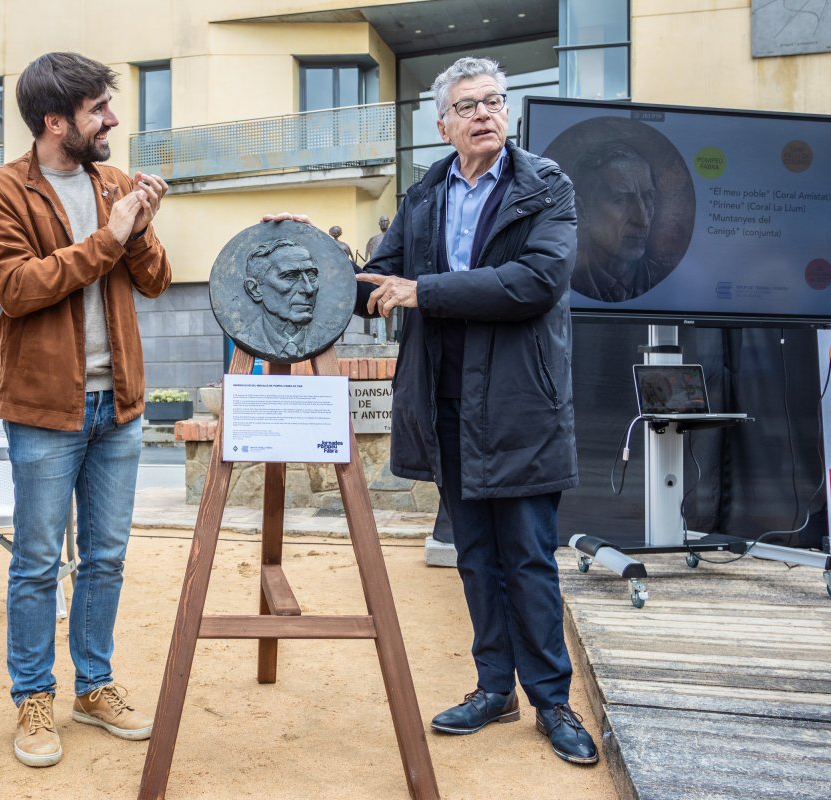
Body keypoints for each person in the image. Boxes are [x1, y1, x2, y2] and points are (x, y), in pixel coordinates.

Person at [266, 55, 598, 766]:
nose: (485, 113)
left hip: (520, 405)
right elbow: (372, 286)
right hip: (445, 402)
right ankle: (493, 688)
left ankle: (551, 701)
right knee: (473, 556)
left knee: (529, 559)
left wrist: (427, 290)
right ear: (443, 123)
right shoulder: (423, 198)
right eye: (469, 104)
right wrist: (307, 248)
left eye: (495, 101)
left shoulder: (546, 186)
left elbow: (535, 283)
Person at [0, 51, 170, 769]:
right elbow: (20, 288)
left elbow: (154, 282)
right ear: (55, 121)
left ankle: (94, 684)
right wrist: (110, 235)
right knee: (35, 562)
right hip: (44, 408)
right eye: (97, 110)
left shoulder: (113, 182)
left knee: (107, 558)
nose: (112, 120)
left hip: (116, 404)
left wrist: (139, 224)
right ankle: (33, 696)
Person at [570, 143, 660, 302]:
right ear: (581, 211)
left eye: (648, 197)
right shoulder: (559, 280)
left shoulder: (663, 280)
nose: (643, 220)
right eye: (621, 200)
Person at [243, 238, 320, 359]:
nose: (309, 289)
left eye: (311, 276)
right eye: (290, 276)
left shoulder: (323, 337)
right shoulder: (247, 338)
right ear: (255, 289)